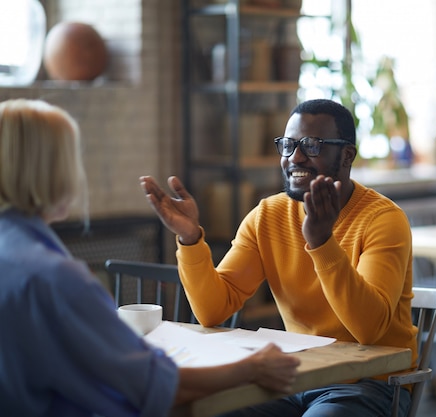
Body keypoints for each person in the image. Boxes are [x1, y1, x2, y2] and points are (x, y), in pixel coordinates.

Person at [0, 99, 300, 417]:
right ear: (53, 172)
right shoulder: (55, 278)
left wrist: (190, 237)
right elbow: (156, 386)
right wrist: (252, 367)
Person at [141, 98, 417, 417]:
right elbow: (212, 310)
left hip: (368, 383)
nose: (295, 157)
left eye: (311, 146)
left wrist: (321, 242)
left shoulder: (383, 220)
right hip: (294, 376)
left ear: (346, 155)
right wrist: (190, 239)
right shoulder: (268, 216)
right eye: (288, 145)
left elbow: (369, 330)